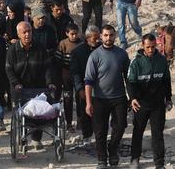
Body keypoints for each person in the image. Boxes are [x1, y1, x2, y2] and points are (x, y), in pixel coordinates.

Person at [84, 25, 130, 168]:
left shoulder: (122, 54)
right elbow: (88, 81)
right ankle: (102, 159)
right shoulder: (95, 55)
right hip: (99, 99)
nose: (108, 38)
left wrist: (132, 97)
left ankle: (113, 150)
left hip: (119, 97)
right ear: (101, 37)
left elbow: (129, 78)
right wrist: (88, 102)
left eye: (111, 35)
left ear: (115, 36)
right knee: (100, 131)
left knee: (121, 126)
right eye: (105, 35)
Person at [5, 22, 55, 148]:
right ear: (18, 34)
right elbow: (9, 69)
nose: (27, 34)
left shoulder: (40, 48)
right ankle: (22, 138)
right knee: (22, 114)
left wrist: (49, 83)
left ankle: (36, 138)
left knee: (38, 113)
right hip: (20, 88)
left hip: (38, 86)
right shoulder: (12, 50)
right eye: (24, 32)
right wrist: (16, 83)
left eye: (29, 31)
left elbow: (48, 67)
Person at [128, 33, 172, 169]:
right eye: (148, 47)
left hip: (157, 104)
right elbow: (130, 83)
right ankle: (135, 159)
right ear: (143, 45)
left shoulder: (162, 60)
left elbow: (166, 80)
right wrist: (133, 98)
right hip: (141, 104)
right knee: (138, 131)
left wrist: (168, 98)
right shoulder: (136, 62)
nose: (151, 50)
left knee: (158, 134)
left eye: (153, 47)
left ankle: (159, 163)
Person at [70, 26, 100, 143]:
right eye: (94, 38)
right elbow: (75, 72)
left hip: (100, 87)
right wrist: (79, 88)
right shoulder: (77, 52)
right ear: (87, 38)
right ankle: (87, 135)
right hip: (84, 87)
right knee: (85, 112)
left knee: (100, 114)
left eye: (98, 38)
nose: (97, 41)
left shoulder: (103, 48)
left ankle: (98, 136)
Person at [55, 23, 81, 131]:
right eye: (72, 34)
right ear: (67, 33)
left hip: (79, 75)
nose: (74, 36)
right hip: (66, 75)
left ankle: (80, 121)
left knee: (80, 99)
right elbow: (58, 60)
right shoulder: (63, 44)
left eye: (76, 34)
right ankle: (69, 123)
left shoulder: (82, 43)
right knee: (67, 99)